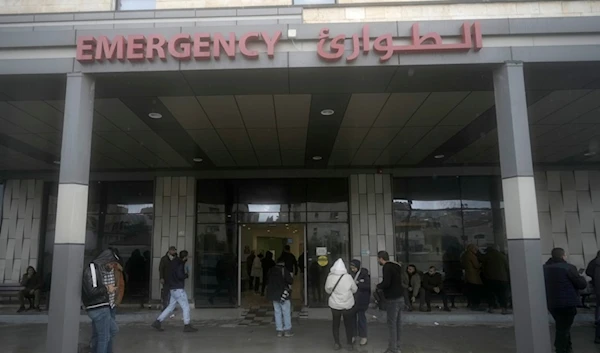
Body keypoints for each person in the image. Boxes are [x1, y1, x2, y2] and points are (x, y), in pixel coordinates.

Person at [544, 248, 588, 353]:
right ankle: (560, 349)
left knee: (562, 325)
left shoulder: (544, 268)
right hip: (568, 302)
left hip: (552, 302)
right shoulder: (569, 268)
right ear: (563, 256)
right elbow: (581, 285)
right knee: (563, 328)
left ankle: (568, 347)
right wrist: (581, 277)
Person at [81, 249, 121, 353]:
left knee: (111, 331)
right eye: (111, 264)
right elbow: (92, 291)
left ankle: (95, 349)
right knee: (104, 337)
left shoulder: (97, 269)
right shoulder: (93, 268)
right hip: (98, 306)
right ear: (106, 260)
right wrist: (108, 288)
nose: (112, 267)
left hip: (102, 306)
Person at [152, 250, 197, 332]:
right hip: (178, 289)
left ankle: (158, 321)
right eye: (187, 257)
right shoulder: (180, 264)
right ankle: (187, 325)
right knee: (186, 306)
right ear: (185, 257)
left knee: (170, 307)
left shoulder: (173, 262)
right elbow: (180, 275)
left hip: (172, 288)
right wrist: (186, 275)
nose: (187, 258)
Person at [325, 258, 357, 351]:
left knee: (336, 324)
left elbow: (327, 290)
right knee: (348, 324)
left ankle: (337, 343)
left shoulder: (330, 277)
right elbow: (355, 289)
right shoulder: (348, 277)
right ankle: (349, 344)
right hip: (347, 305)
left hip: (335, 305)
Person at [377, 251, 404, 353]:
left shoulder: (386, 267)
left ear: (381, 258)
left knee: (392, 324)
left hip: (392, 299)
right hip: (400, 297)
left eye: (378, 259)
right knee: (398, 323)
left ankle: (393, 348)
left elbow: (386, 283)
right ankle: (397, 345)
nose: (378, 261)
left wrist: (378, 286)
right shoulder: (396, 266)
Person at [266, 257, 294, 338]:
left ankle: (279, 330)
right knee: (286, 312)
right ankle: (287, 330)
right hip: (283, 294)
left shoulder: (271, 270)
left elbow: (268, 280)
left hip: (274, 295)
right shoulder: (284, 270)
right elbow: (290, 281)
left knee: (277, 312)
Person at [481, 244, 511, 314]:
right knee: (502, 295)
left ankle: (491, 308)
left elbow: (483, 267)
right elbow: (507, 267)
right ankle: (504, 309)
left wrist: (486, 275)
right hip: (502, 279)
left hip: (491, 278)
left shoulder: (487, 256)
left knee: (491, 294)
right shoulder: (502, 256)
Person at [350, 259, 370, 346]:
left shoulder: (364, 274)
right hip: (352, 300)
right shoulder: (350, 274)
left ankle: (363, 336)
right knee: (352, 318)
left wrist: (357, 283)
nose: (352, 269)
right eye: (351, 268)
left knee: (361, 318)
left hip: (362, 300)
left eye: (354, 267)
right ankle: (353, 335)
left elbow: (367, 286)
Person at [461, 244, 485, 311]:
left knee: (471, 291)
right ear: (471, 249)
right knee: (476, 291)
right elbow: (476, 266)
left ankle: (471, 304)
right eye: (475, 249)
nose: (476, 251)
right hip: (474, 277)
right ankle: (476, 306)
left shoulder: (464, 255)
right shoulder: (471, 255)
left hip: (468, 276)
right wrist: (482, 264)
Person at [585, 250, 600, 343]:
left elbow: (588, 272)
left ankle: (597, 320)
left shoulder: (594, 262)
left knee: (598, 306)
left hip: (597, 287)